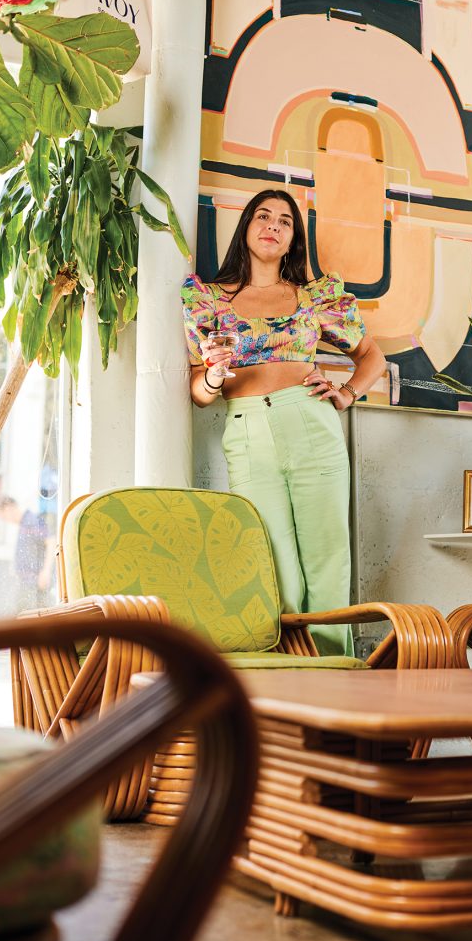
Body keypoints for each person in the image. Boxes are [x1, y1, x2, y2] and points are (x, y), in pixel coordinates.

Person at [181, 189, 386, 656]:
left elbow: (373, 357)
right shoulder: (209, 301)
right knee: (272, 568)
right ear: (246, 228)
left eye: (285, 221)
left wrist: (347, 393)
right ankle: (285, 683)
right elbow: (198, 393)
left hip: (311, 423)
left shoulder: (312, 298)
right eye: (262, 216)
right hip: (247, 430)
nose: (273, 225)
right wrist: (213, 375)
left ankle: (334, 683)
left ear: (294, 239)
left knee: (327, 562)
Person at [0, 497, 56, 613]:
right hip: (29, 582)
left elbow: (51, 541)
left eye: (3, 517)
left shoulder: (31, 521)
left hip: (36, 582)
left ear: (9, 508)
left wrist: (46, 571)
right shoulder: (23, 523)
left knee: (29, 614)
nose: (5, 520)